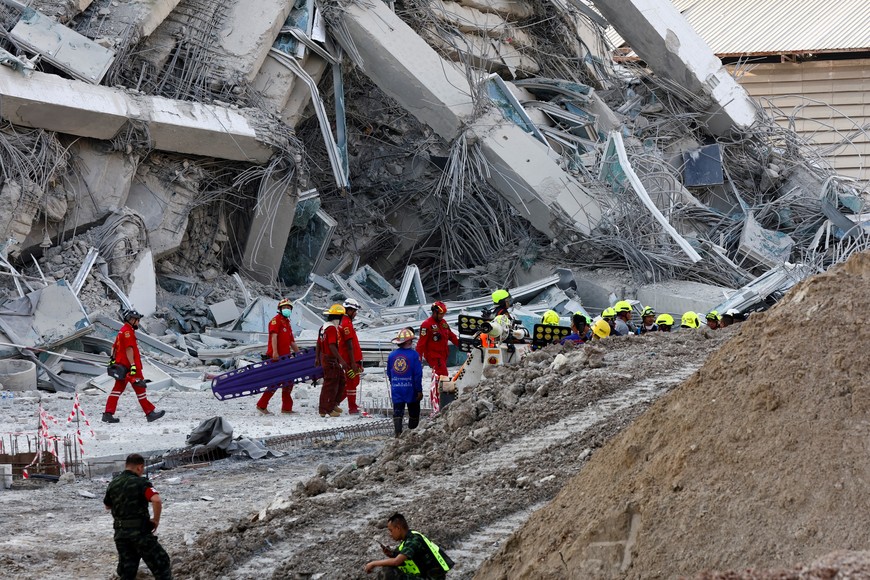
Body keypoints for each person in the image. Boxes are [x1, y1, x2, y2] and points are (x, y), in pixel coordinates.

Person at [104, 453, 172, 580]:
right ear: (140, 467)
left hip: (121, 535)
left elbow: (107, 506)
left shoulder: (113, 484)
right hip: (140, 534)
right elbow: (156, 500)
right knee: (162, 564)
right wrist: (155, 520)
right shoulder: (141, 482)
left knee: (127, 572)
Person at [103, 309, 164, 424]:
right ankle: (149, 413)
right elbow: (129, 349)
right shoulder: (128, 332)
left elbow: (114, 347)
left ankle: (108, 413)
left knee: (117, 390)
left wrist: (112, 361)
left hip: (121, 365)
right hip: (129, 366)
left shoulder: (122, 331)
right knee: (140, 388)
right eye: (137, 320)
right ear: (131, 320)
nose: (138, 323)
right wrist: (133, 366)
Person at [364, 513, 452, 579]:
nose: (390, 534)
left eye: (391, 530)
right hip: (426, 575)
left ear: (398, 528)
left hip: (431, 578)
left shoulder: (414, 540)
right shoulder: (409, 539)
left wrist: (373, 563)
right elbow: (403, 559)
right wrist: (391, 554)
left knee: (388, 573)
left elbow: (396, 562)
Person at [255, 298, 300, 415]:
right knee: (274, 382)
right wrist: (275, 352)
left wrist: (299, 353)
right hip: (276, 357)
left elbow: (292, 342)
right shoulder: (276, 321)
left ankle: (286, 408)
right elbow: (274, 337)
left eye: (289, 308)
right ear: (280, 309)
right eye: (285, 308)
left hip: (286, 358)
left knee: (289, 381)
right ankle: (262, 405)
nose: (287, 309)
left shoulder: (287, 323)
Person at [386, 328, 423, 437]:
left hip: (397, 388)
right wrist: (419, 390)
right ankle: (412, 433)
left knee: (398, 412)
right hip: (411, 389)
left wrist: (394, 384)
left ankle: (398, 433)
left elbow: (389, 373)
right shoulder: (414, 355)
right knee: (414, 412)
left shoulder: (392, 355)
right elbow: (417, 374)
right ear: (408, 341)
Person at [315, 304, 350, 418]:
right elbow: (332, 346)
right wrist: (342, 361)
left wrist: (317, 358)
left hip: (326, 358)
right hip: (330, 360)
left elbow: (318, 343)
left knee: (341, 380)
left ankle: (332, 404)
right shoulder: (331, 329)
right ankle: (326, 409)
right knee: (330, 385)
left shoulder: (323, 327)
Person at [416, 301, 459, 378]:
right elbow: (421, 343)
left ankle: (436, 388)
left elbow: (451, 336)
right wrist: (417, 357)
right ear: (434, 312)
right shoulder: (426, 325)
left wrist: (461, 345)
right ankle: (441, 389)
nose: (442, 316)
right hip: (433, 355)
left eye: (443, 314)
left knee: (439, 375)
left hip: (444, 354)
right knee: (443, 374)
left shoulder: (443, 322)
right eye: (440, 314)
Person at [339, 298, 363, 414]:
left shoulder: (346, 322)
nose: (355, 314)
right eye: (354, 311)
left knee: (353, 382)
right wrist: (353, 362)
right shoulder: (346, 324)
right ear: (349, 310)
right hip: (350, 360)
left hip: (352, 359)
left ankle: (335, 402)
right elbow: (349, 345)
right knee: (352, 383)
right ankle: (351, 407)